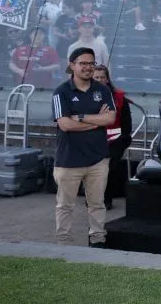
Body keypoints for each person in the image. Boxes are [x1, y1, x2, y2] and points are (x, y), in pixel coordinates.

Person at [50, 47, 116, 247]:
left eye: (91, 63)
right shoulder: (61, 92)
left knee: (97, 204)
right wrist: (97, 122)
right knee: (64, 205)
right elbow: (65, 124)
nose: (88, 67)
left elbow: (110, 118)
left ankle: (97, 239)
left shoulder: (102, 90)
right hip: (69, 160)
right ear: (72, 65)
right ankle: (64, 243)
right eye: (83, 63)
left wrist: (80, 117)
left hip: (98, 159)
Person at [93, 64, 133, 210]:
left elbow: (126, 123)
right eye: (96, 77)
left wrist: (124, 138)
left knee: (108, 168)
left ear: (108, 79)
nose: (100, 79)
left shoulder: (119, 98)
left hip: (116, 140)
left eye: (102, 77)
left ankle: (106, 200)